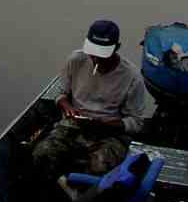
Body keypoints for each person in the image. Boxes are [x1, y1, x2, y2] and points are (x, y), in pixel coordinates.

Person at [30, 19, 151, 182]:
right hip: (74, 124)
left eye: (102, 55)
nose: (96, 59)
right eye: (93, 53)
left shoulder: (132, 77)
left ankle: (86, 198)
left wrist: (107, 124)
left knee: (99, 167)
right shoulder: (76, 60)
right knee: (42, 153)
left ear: (117, 48)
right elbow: (61, 93)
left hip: (110, 133)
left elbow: (136, 122)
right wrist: (67, 107)